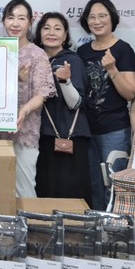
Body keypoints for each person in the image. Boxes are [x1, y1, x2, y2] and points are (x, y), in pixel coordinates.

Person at [76, 0, 135, 210]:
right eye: (92, 17)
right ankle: (97, 225)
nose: (97, 21)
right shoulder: (82, 52)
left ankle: (116, 226)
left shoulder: (123, 50)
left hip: (114, 129)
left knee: (114, 183)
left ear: (112, 18)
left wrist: (112, 70)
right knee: (93, 183)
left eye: (102, 16)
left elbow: (130, 93)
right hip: (86, 129)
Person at [0, 0, 56, 197]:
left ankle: (26, 219)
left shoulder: (37, 55)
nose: (15, 23)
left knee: (24, 189)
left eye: (21, 18)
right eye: (10, 17)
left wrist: (25, 110)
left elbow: (41, 94)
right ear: (3, 20)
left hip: (25, 132)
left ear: (30, 22)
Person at [33, 12, 91, 206]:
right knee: (45, 192)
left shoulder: (72, 60)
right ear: (39, 33)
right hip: (42, 136)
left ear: (65, 36)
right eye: (46, 28)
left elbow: (75, 103)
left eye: (57, 29)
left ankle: (74, 226)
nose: (51, 33)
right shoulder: (35, 59)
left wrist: (65, 81)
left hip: (69, 136)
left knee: (70, 194)